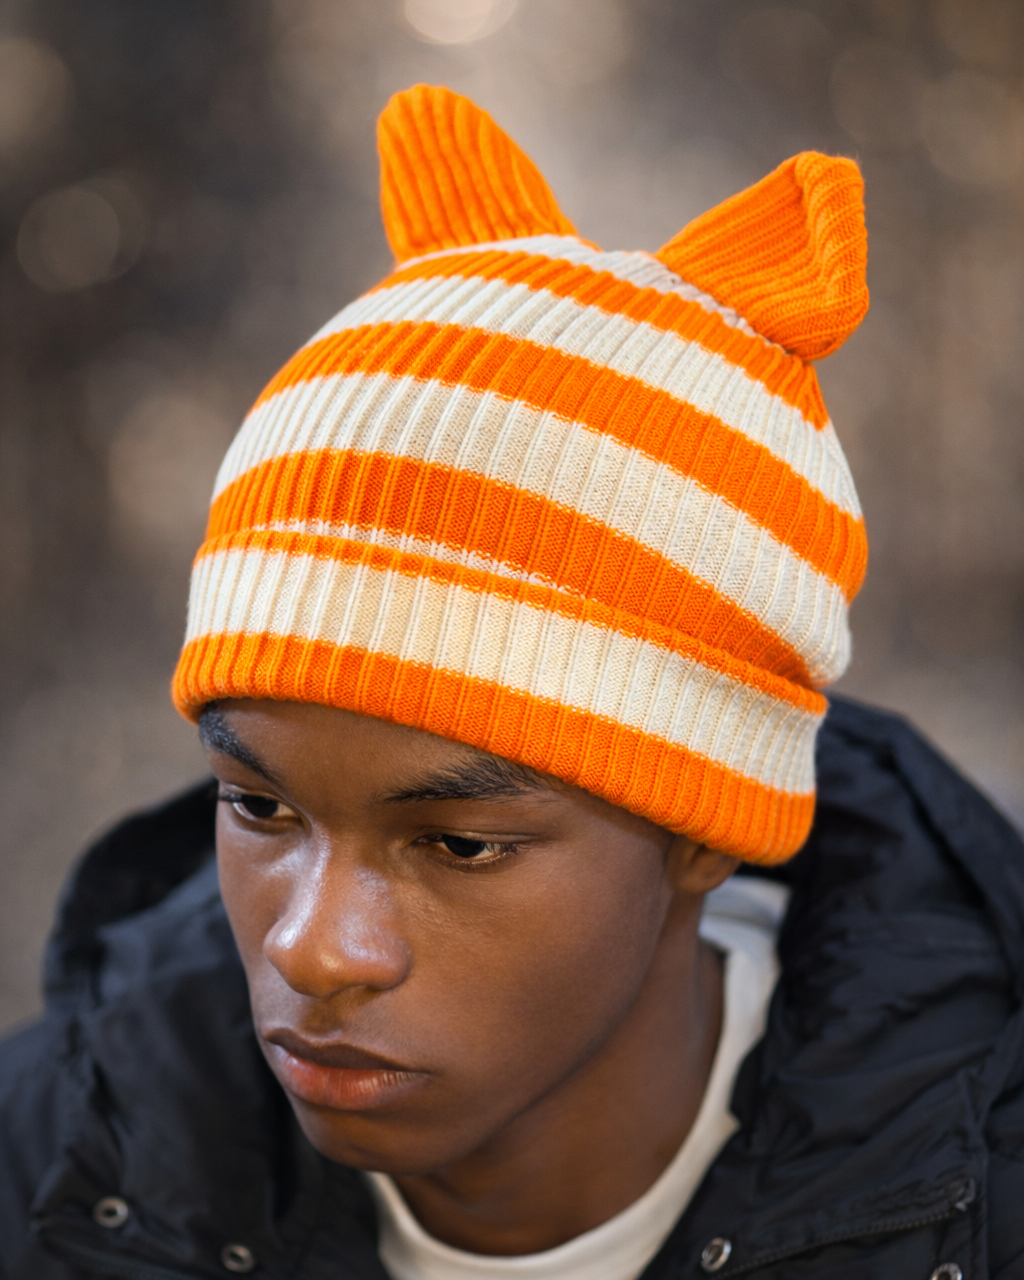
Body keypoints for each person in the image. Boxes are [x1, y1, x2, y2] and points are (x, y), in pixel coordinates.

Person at [1, 85, 1022, 1280]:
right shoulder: (50, 1168)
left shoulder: (986, 1204)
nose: (316, 947)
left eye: (460, 843)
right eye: (261, 806)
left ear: (703, 829)